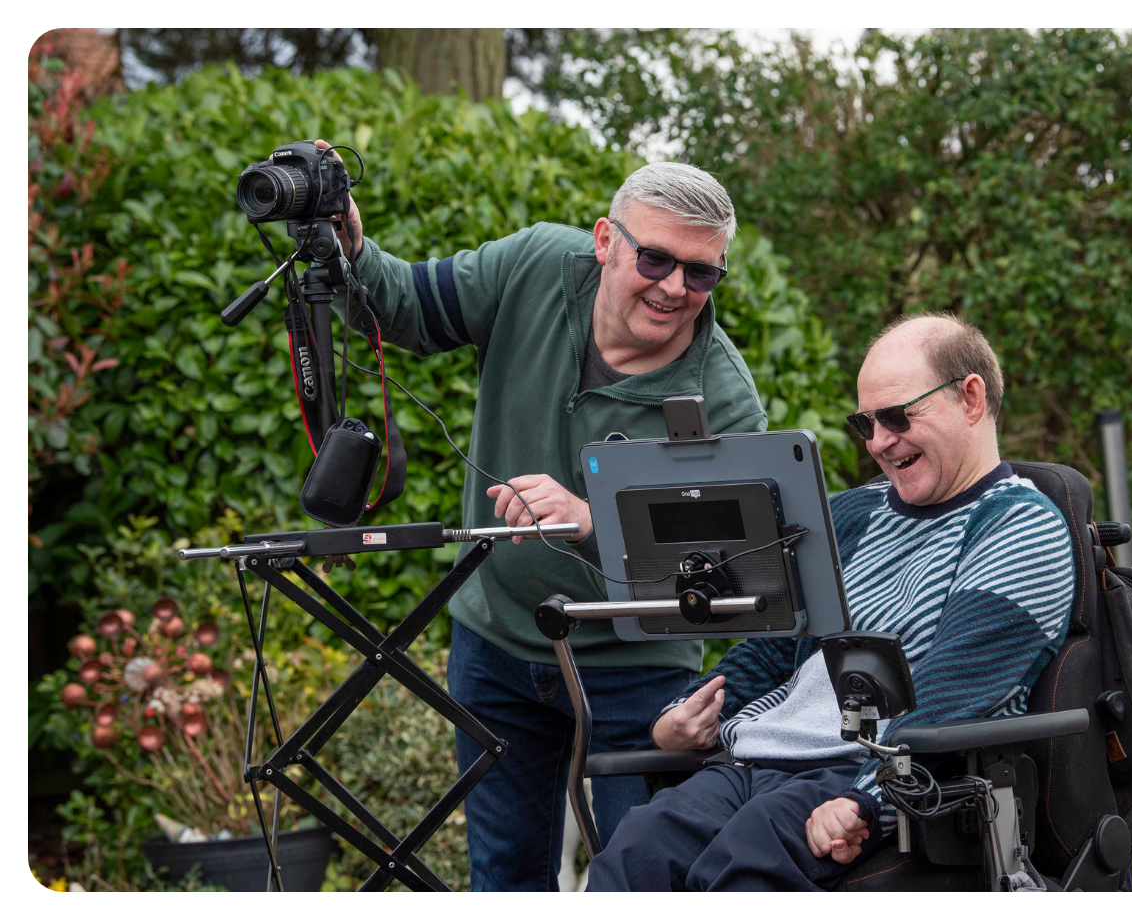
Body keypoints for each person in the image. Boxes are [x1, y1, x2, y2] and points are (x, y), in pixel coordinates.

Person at [309, 140, 768, 890]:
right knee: (505, 874)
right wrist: (349, 244)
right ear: (603, 240)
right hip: (496, 644)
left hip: (639, 674)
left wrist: (592, 518)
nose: (675, 286)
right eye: (654, 259)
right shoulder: (532, 265)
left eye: (701, 271)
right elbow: (406, 308)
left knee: (643, 874)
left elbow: (735, 571)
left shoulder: (724, 397)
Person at [587, 313, 1076, 891]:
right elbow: (776, 652)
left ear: (970, 398)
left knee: (736, 873)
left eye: (897, 416)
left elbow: (958, 696)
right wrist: (690, 711)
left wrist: (864, 799)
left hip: (864, 774)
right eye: (864, 423)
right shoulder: (853, 514)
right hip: (759, 759)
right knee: (634, 856)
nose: (878, 442)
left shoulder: (1020, 527)